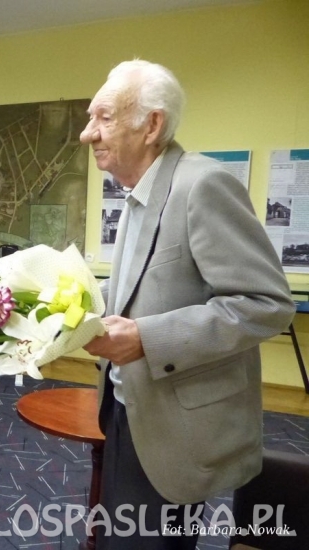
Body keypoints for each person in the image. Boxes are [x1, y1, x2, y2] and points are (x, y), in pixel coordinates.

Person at [80, 60, 294, 550]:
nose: (87, 133)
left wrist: (145, 338)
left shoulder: (204, 185)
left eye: (104, 117)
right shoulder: (136, 195)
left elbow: (266, 304)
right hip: (125, 407)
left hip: (176, 426)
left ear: (152, 125)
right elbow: (141, 287)